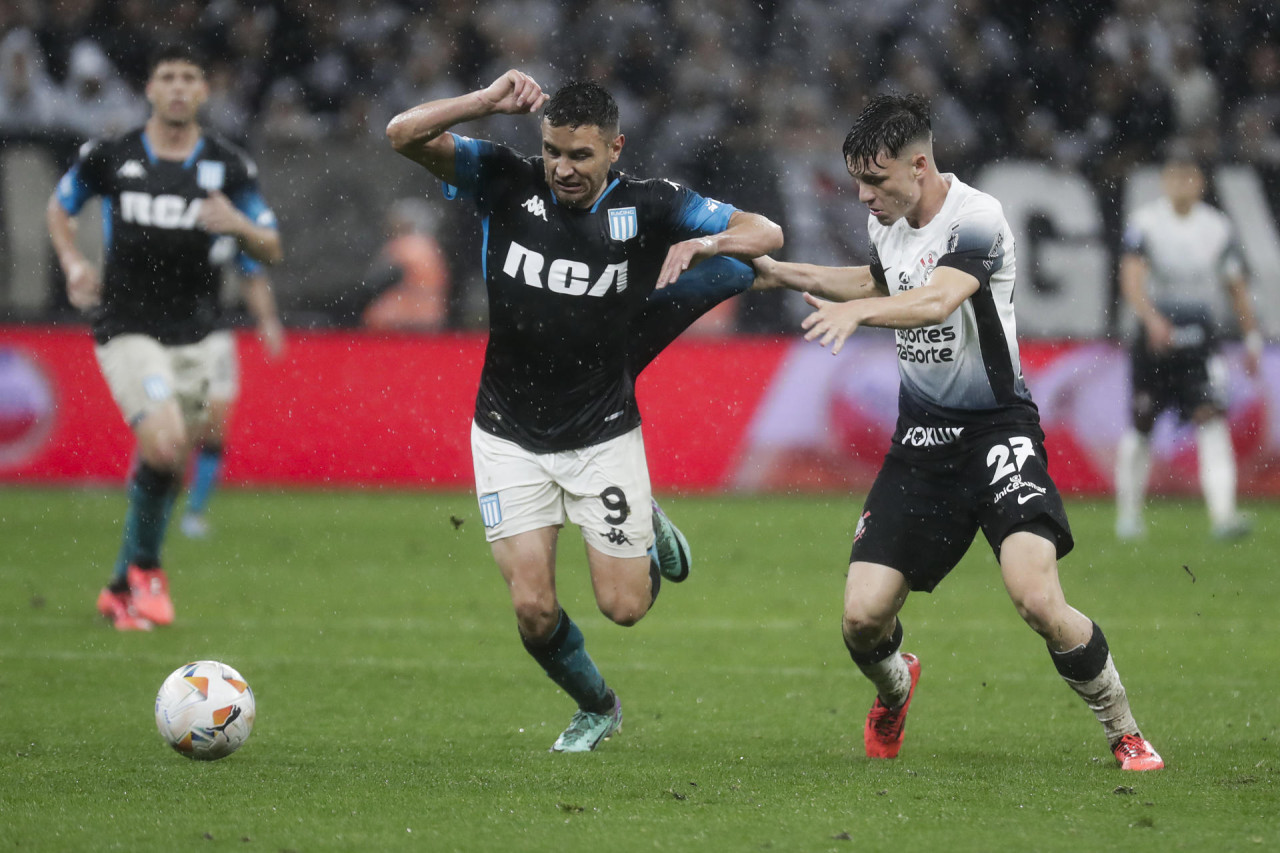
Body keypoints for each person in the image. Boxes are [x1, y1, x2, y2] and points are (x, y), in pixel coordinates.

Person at [752, 93, 1163, 771]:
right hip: (921, 442)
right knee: (861, 618)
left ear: (919, 165)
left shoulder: (978, 217)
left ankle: (1124, 728)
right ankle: (897, 687)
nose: (863, 196)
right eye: (858, 180)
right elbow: (876, 278)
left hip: (997, 430)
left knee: (1036, 595)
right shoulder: (889, 223)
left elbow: (939, 296)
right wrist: (779, 273)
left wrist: (862, 317)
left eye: (875, 181)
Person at [386, 70, 782, 752]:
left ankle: (645, 521)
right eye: (553, 152)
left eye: (581, 155)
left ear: (616, 148)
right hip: (506, 429)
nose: (563, 168)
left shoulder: (654, 204)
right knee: (533, 607)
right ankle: (596, 705)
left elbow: (766, 232)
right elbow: (401, 134)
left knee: (624, 607)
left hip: (601, 432)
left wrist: (706, 242)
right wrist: (485, 101)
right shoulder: (506, 179)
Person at [46, 42, 282, 630]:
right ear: (150, 89)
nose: (178, 88)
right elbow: (59, 206)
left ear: (203, 92)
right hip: (127, 325)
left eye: (189, 78)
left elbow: (272, 247)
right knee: (165, 445)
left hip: (197, 335)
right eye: (167, 77)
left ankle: (117, 587)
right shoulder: (112, 155)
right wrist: (74, 263)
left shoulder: (229, 165)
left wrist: (240, 225)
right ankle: (148, 576)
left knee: (174, 452)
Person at [1114, 147, 1261, 541]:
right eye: (1176, 177)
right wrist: (1151, 319)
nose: (1183, 185)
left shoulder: (1217, 227)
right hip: (1154, 340)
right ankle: (1128, 515)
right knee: (1141, 422)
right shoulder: (1145, 223)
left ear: (1201, 183)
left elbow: (1236, 287)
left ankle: (1224, 515)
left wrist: (1251, 338)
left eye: (1190, 177)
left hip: (1200, 340)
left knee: (1211, 416)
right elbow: (1131, 279)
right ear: (1164, 182)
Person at [179, 266, 286, 539]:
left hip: (215, 334)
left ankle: (194, 513)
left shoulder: (228, 227)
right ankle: (154, 499)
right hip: (175, 335)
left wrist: (267, 320)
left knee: (214, 427)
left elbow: (252, 271)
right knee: (180, 431)